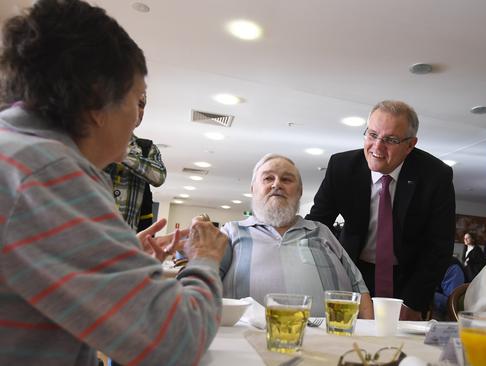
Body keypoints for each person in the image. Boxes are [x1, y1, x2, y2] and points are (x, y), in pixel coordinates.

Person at [0, 1, 228, 364]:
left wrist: (122, 255)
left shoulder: (16, 151)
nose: (137, 117)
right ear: (96, 98)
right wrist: (204, 259)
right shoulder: (49, 172)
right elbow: (175, 340)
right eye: (137, 99)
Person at [306, 100, 456, 320]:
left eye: (390, 140)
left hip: (409, 278)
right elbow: (317, 227)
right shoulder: (342, 167)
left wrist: (414, 303)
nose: (377, 147)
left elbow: (439, 246)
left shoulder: (435, 176)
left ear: (410, 145)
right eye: (372, 135)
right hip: (353, 272)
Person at [219, 154, 373, 318]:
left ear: (299, 192)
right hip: (245, 340)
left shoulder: (322, 232)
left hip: (332, 339)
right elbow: (202, 288)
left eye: (286, 179)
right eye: (268, 178)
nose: (277, 184)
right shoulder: (231, 233)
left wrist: (371, 337)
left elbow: (359, 289)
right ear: (252, 189)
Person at [104, 91, 166, 232]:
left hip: (127, 241)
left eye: (142, 105)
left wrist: (122, 152)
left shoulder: (147, 148)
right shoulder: (91, 139)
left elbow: (159, 176)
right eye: (133, 102)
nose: (138, 109)